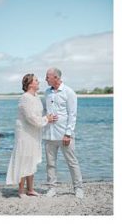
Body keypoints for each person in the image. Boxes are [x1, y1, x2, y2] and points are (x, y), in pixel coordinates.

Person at [8, 74, 57, 198]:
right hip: (25, 133)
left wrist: (48, 117)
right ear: (30, 84)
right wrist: (47, 119)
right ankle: (21, 190)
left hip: (34, 133)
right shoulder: (25, 98)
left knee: (32, 159)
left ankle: (30, 189)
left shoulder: (36, 97)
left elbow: (40, 114)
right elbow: (31, 118)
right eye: (36, 80)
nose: (38, 81)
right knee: (24, 159)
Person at [42, 67, 84, 198]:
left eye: (47, 77)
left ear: (56, 77)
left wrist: (68, 134)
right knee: (50, 163)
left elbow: (73, 114)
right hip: (49, 134)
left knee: (72, 162)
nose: (45, 79)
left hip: (64, 135)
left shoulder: (69, 92)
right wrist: (44, 119)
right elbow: (44, 111)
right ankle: (52, 188)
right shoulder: (47, 93)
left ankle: (78, 188)